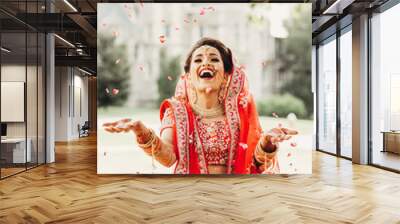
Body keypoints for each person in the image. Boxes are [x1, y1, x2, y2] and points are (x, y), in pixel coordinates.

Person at [103, 37, 297, 174]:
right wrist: (141, 131)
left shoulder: (241, 113)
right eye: (198, 60)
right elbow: (168, 158)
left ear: (226, 74)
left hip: (235, 197)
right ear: (188, 75)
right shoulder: (176, 111)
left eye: (214, 59)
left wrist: (267, 144)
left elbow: (254, 164)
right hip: (188, 197)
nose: (206, 63)